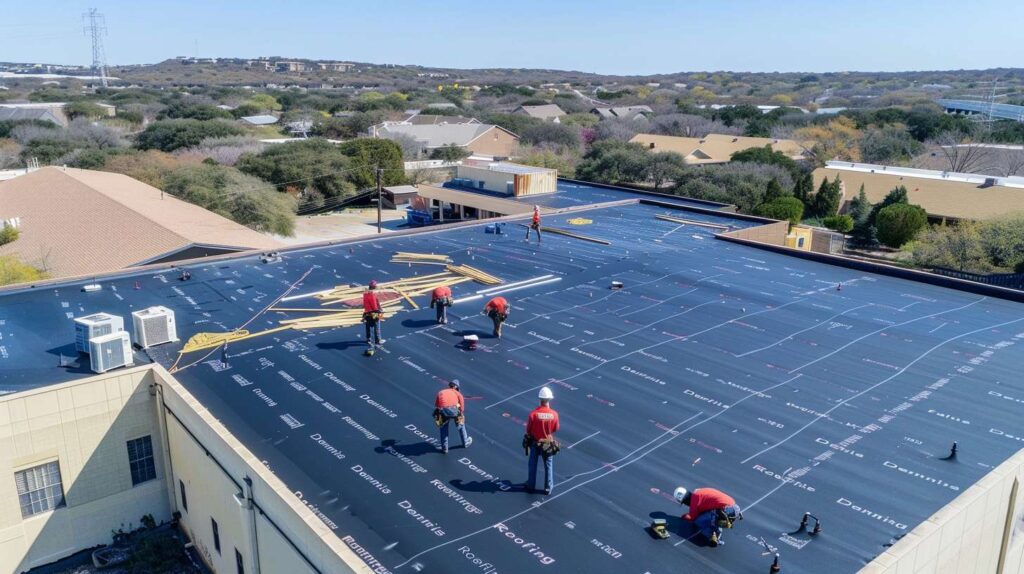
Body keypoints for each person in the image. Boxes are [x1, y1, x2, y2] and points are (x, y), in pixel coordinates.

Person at [674, 486, 742, 547]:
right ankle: (721, 522)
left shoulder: (694, 499)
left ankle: (714, 534)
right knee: (708, 514)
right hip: (734, 507)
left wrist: (684, 516)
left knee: (699, 521)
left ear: (684, 499)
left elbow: (692, 517)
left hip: (726, 511)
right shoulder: (699, 492)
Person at [524, 386, 560, 495]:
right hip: (548, 444)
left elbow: (528, 429)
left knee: (533, 464)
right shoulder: (554, 414)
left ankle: (531, 486)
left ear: (540, 399)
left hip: (535, 442)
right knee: (548, 465)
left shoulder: (533, 414)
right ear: (549, 399)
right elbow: (556, 428)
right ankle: (548, 488)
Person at [434, 380, 472, 453]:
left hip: (443, 410)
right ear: (456, 387)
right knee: (461, 422)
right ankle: (465, 442)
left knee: (443, 426)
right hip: (454, 410)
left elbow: (437, 406)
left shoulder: (441, 392)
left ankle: (445, 448)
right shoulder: (458, 394)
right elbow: (462, 409)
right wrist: (459, 417)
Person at [362, 280, 385, 349]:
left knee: (368, 326)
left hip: (367, 312)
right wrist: (379, 312)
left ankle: (368, 339)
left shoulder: (365, 293)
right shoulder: (373, 294)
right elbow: (375, 305)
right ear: (374, 287)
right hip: (374, 312)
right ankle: (378, 341)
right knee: (377, 325)